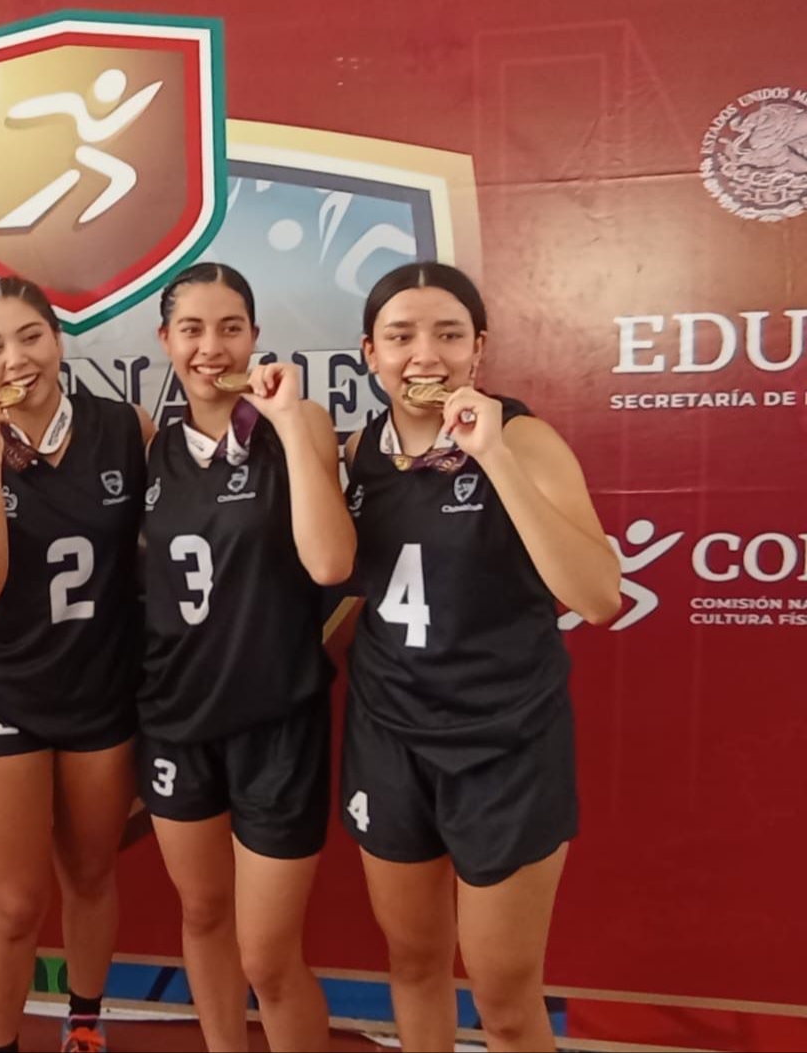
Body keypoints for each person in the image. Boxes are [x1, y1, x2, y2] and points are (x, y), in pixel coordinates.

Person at [340, 262, 621, 1052]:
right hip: (389, 733)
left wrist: (491, 455)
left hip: (504, 741)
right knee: (413, 962)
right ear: (370, 352)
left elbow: (599, 595)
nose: (424, 354)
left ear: (479, 348)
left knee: (504, 1000)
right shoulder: (360, 450)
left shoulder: (524, 439)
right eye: (401, 336)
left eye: (448, 334)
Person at [0, 277, 155, 1053]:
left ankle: (84, 1026)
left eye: (30, 336)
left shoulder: (124, 426)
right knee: (17, 901)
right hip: (1, 694)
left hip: (100, 690)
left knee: (90, 876)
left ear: (57, 339)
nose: (15, 358)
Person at [138, 263, 354, 1051]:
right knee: (202, 913)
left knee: (267, 955)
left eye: (230, 327)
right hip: (176, 720)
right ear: (165, 340)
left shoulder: (299, 424)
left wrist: (288, 420)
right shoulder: (151, 446)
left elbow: (331, 562)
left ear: (255, 336)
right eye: (191, 329)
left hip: (276, 724)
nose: (211, 347)